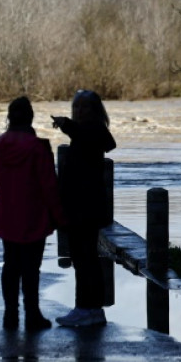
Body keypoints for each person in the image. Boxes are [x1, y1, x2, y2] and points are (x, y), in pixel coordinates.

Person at [0, 96, 66, 331]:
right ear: (31, 117)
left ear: (9, 117)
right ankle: (32, 315)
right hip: (34, 214)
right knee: (31, 268)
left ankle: (10, 315)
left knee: (10, 264)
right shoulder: (38, 148)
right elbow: (50, 186)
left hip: (6, 213)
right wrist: (59, 217)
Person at [51, 89, 116, 328]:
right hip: (80, 205)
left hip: (84, 207)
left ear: (94, 110)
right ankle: (90, 308)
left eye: (83, 107)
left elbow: (90, 137)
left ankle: (86, 308)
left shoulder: (93, 130)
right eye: (75, 107)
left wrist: (66, 124)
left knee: (85, 258)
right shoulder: (87, 132)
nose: (79, 111)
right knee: (83, 257)